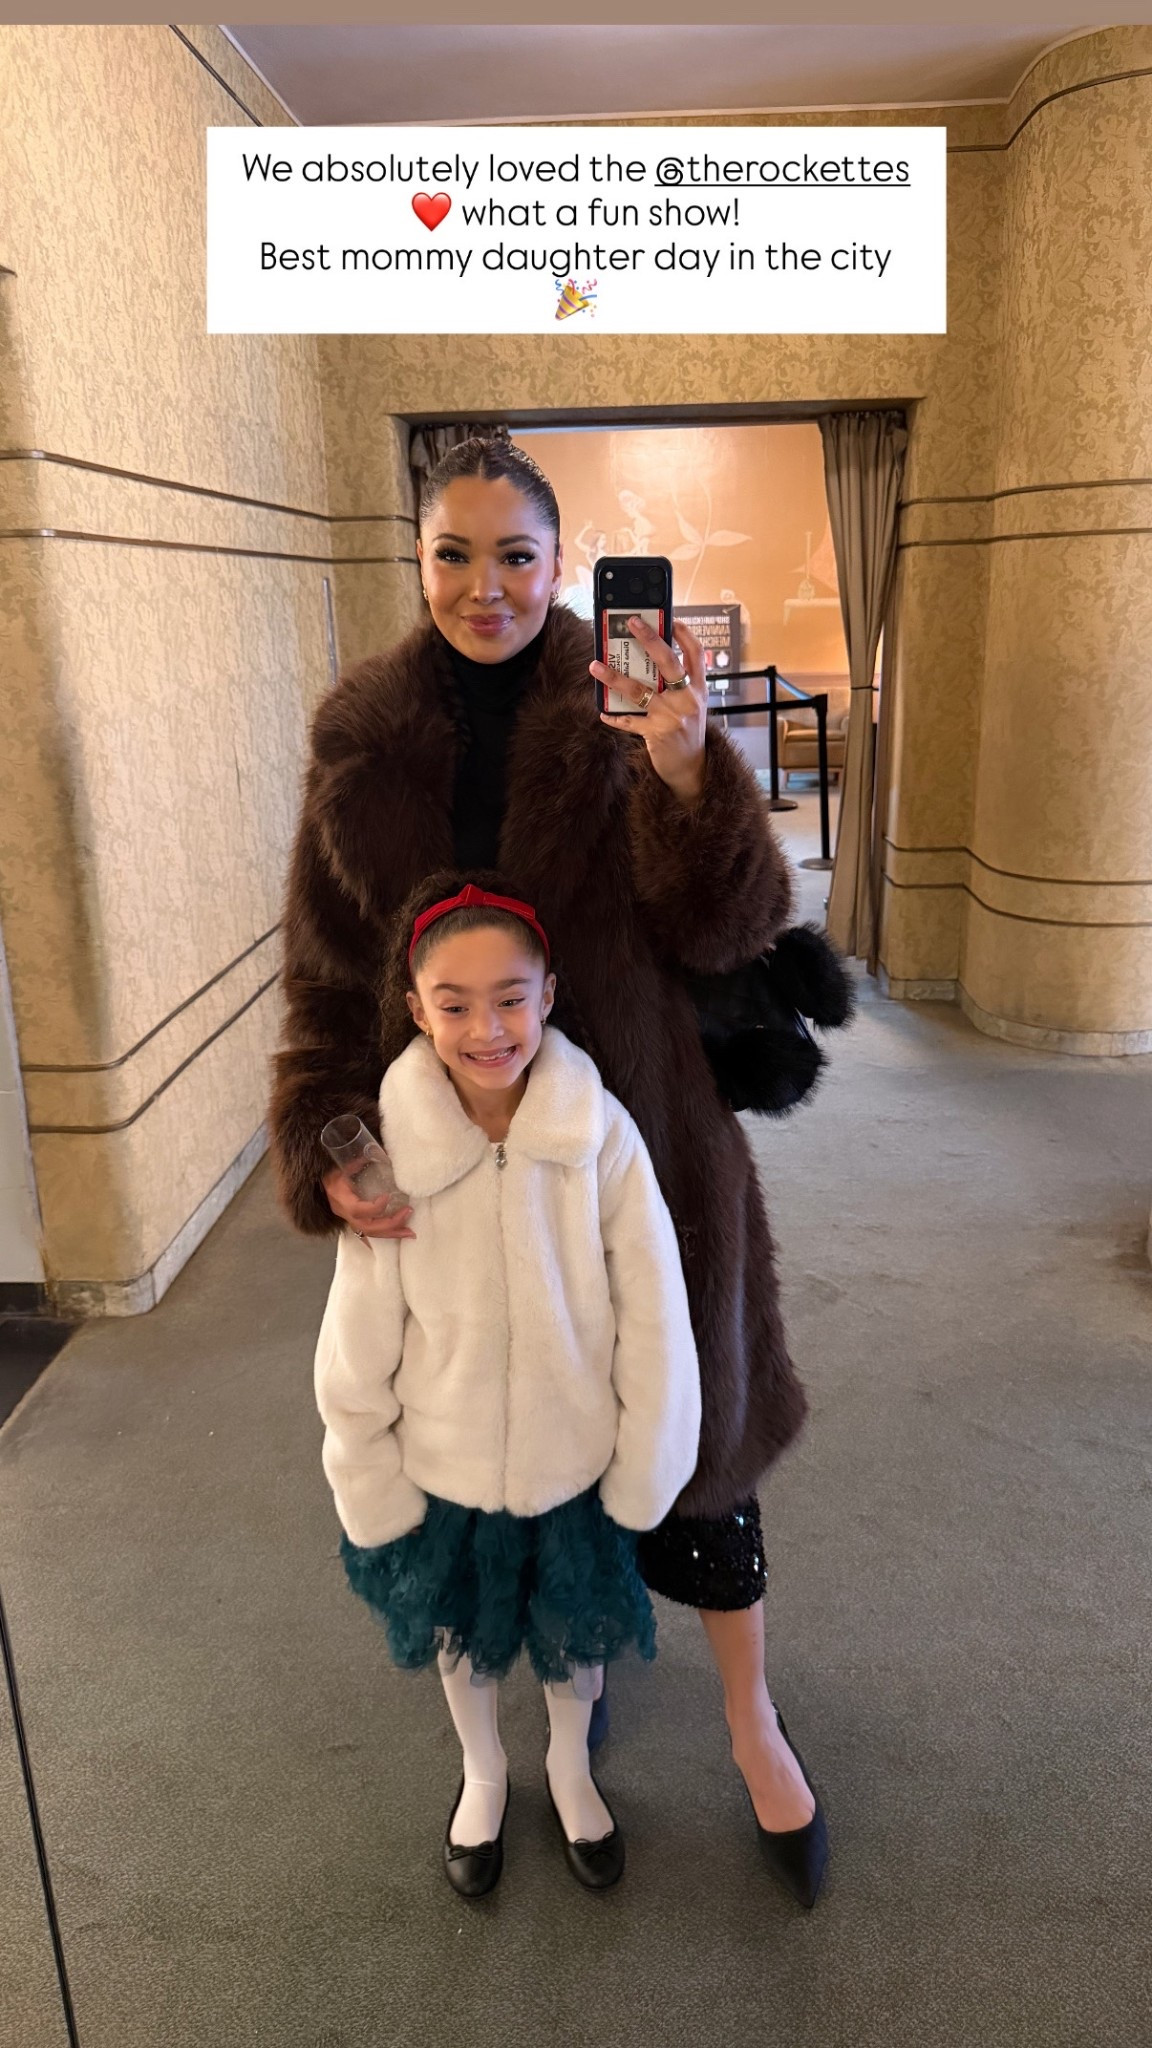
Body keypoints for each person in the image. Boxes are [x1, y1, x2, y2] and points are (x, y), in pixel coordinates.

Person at [270, 435, 829, 1908]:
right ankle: (527, 1731)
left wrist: (685, 769)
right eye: (453, 554)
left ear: (559, 562)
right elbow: (326, 979)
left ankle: (751, 1717)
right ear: (418, 560)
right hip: (455, 1155)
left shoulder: (625, 708)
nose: (487, 587)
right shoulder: (360, 745)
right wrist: (329, 1140)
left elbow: (734, 928)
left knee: (696, 1436)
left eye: (517, 555)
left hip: (641, 1130)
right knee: (482, 1446)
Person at [314, 877, 701, 1897]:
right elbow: (358, 1332)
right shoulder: (390, 1158)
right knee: (467, 1636)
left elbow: (653, 1304)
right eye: (455, 1004)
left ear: (549, 995)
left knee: (575, 1630)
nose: (487, 1028)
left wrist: (648, 1450)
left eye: (511, 998)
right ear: (416, 1007)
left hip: (572, 1455)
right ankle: (483, 1768)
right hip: (444, 1461)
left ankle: (570, 1764)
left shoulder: (600, 1135)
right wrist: (364, 1462)